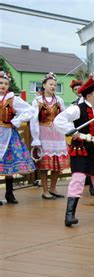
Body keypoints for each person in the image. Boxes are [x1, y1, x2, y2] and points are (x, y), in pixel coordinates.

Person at [54, 78, 94, 226]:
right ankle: (69, 215)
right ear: (89, 96)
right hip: (81, 149)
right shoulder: (76, 109)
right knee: (78, 179)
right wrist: (75, 133)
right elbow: (59, 121)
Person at [30, 72, 70, 200]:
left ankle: (53, 188)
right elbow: (34, 119)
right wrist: (36, 138)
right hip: (44, 132)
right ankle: (45, 190)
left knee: (57, 163)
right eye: (51, 84)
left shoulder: (59, 100)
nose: (53, 87)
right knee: (44, 164)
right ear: (44, 85)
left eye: (55, 85)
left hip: (57, 133)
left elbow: (64, 116)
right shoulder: (37, 101)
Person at [0, 71, 36, 204]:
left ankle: (9, 193)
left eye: (5, 83)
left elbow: (30, 110)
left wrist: (18, 119)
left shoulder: (12, 99)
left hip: (9, 133)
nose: (3, 85)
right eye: (0, 83)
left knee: (8, 164)